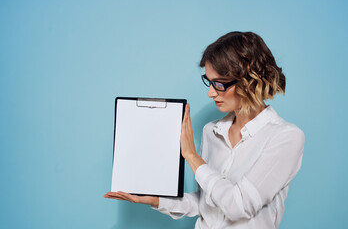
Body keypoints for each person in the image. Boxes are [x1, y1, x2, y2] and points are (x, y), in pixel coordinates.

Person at [104, 31, 305, 229]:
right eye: (209, 82)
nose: (210, 92)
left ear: (248, 81)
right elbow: (206, 202)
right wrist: (157, 200)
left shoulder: (286, 137)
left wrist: (191, 156)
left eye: (219, 84)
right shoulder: (212, 131)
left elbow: (238, 206)